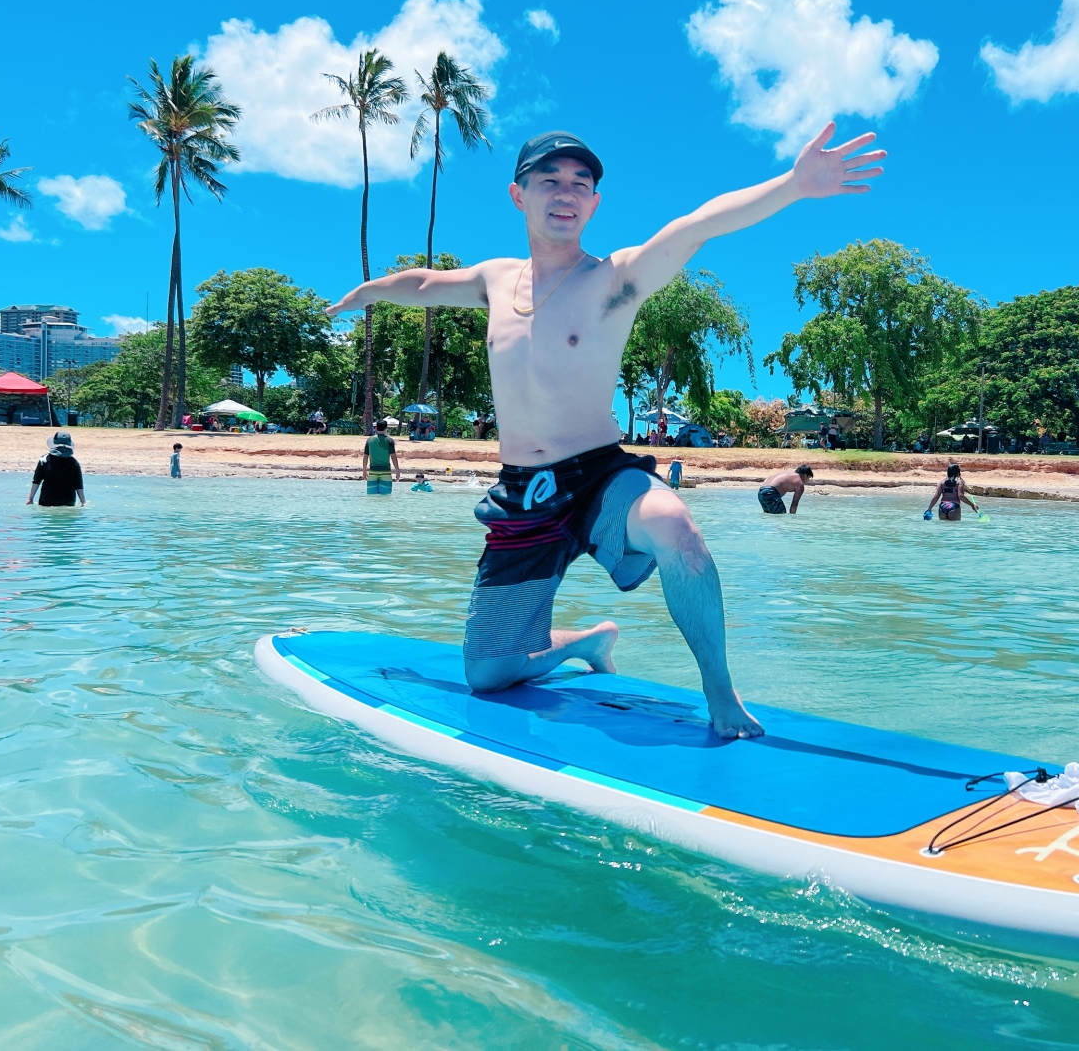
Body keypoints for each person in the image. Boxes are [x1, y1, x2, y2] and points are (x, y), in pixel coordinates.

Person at [328, 124, 885, 738]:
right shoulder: (495, 279)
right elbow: (428, 284)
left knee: (674, 525)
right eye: (550, 180)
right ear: (518, 194)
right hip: (521, 494)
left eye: (580, 184)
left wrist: (793, 185)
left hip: (598, 475)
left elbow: (696, 226)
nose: (566, 193)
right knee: (488, 674)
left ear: (594, 203)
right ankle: (588, 640)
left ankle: (721, 694)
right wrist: (373, 291)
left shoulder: (614, 280)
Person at [26, 431, 86, 507]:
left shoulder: (44, 460)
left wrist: (30, 499)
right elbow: (78, 485)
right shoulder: (74, 463)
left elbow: (36, 481)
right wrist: (83, 502)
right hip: (68, 501)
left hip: (47, 501)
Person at [363, 418, 400, 494]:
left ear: (376, 428)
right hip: (385, 471)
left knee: (371, 496)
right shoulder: (389, 440)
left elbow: (365, 457)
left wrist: (364, 470)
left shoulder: (369, 440)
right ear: (386, 429)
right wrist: (397, 470)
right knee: (385, 496)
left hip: (373, 471)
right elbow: (393, 457)